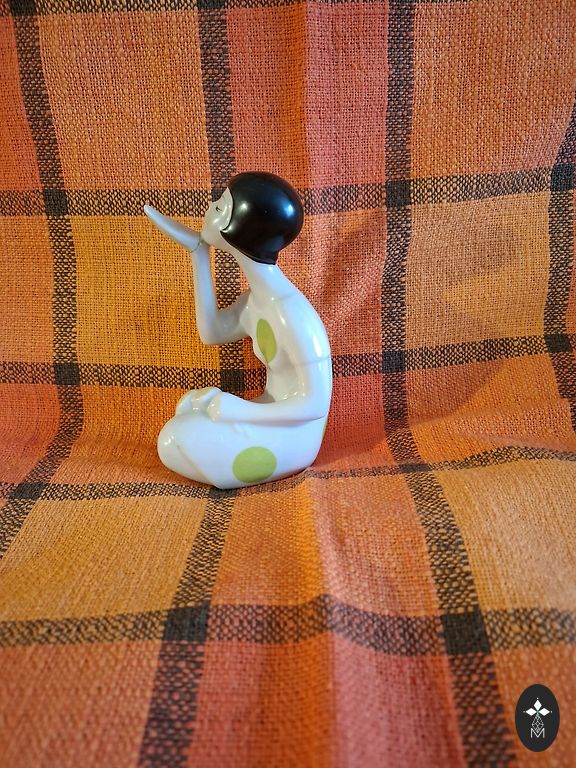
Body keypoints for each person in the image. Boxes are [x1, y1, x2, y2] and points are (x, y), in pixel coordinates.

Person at [144, 171, 332, 489]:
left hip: (296, 436)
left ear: (242, 229)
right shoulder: (254, 302)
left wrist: (240, 410)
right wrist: (198, 254)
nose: (210, 208)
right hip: (268, 415)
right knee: (184, 419)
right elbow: (213, 333)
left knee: (175, 437)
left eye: (220, 207)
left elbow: (314, 405)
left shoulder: (291, 314)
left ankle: (242, 459)